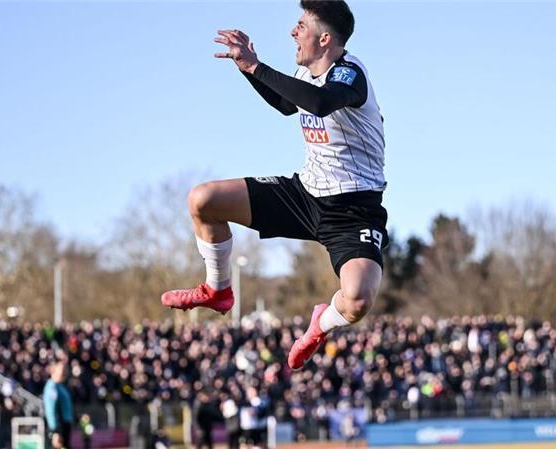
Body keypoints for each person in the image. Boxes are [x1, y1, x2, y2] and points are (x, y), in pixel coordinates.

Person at [161, 0, 388, 370]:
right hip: (304, 195)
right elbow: (287, 103)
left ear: (325, 39)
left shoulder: (350, 74)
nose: (292, 32)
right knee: (203, 200)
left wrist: (257, 66)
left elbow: (319, 102)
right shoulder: (306, 75)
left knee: (357, 300)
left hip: (353, 211)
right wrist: (247, 69)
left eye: (301, 25)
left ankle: (321, 324)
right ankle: (218, 289)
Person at [43, 360, 74, 449]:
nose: (64, 371)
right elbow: (50, 410)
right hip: (59, 427)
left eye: (65, 369)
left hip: (65, 425)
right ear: (53, 369)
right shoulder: (51, 387)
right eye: (61, 369)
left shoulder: (60, 386)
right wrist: (55, 431)